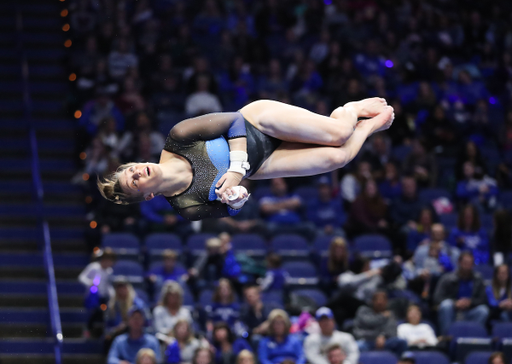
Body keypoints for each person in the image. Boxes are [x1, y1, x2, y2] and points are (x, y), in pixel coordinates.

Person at [98, 98, 395, 221]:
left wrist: (237, 170)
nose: (137, 171)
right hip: (261, 164)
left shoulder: (179, 138)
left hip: (258, 122)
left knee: (340, 132)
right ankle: (369, 126)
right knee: (337, 158)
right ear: (148, 195)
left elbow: (234, 121)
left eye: (130, 168)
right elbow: (232, 209)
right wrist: (236, 198)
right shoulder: (187, 207)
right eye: (134, 180)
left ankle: (352, 109)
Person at [433, 252, 489, 334]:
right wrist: (455, 302)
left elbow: (483, 299)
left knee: (483, 310)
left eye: (470, 264)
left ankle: (473, 335)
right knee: (446, 305)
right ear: (459, 263)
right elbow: (437, 298)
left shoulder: (478, 279)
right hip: (452, 311)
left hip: (470, 311)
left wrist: (470, 302)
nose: (467, 266)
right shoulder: (447, 278)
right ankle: (447, 336)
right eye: (465, 263)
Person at [353, 291, 407, 356]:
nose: (380, 302)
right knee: (357, 346)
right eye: (377, 299)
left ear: (386, 302)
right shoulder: (364, 311)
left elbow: (392, 331)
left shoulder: (390, 314)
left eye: (382, 300)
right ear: (372, 301)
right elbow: (368, 322)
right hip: (366, 341)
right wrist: (383, 317)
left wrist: (383, 335)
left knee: (401, 342)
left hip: (385, 341)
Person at [78, 248, 116, 336]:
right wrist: (89, 283)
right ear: (104, 259)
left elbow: (108, 285)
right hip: (92, 296)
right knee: (95, 311)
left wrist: (112, 294)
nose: (110, 263)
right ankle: (88, 329)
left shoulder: (109, 271)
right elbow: (81, 277)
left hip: (103, 297)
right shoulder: (93, 267)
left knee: (103, 311)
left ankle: (101, 332)